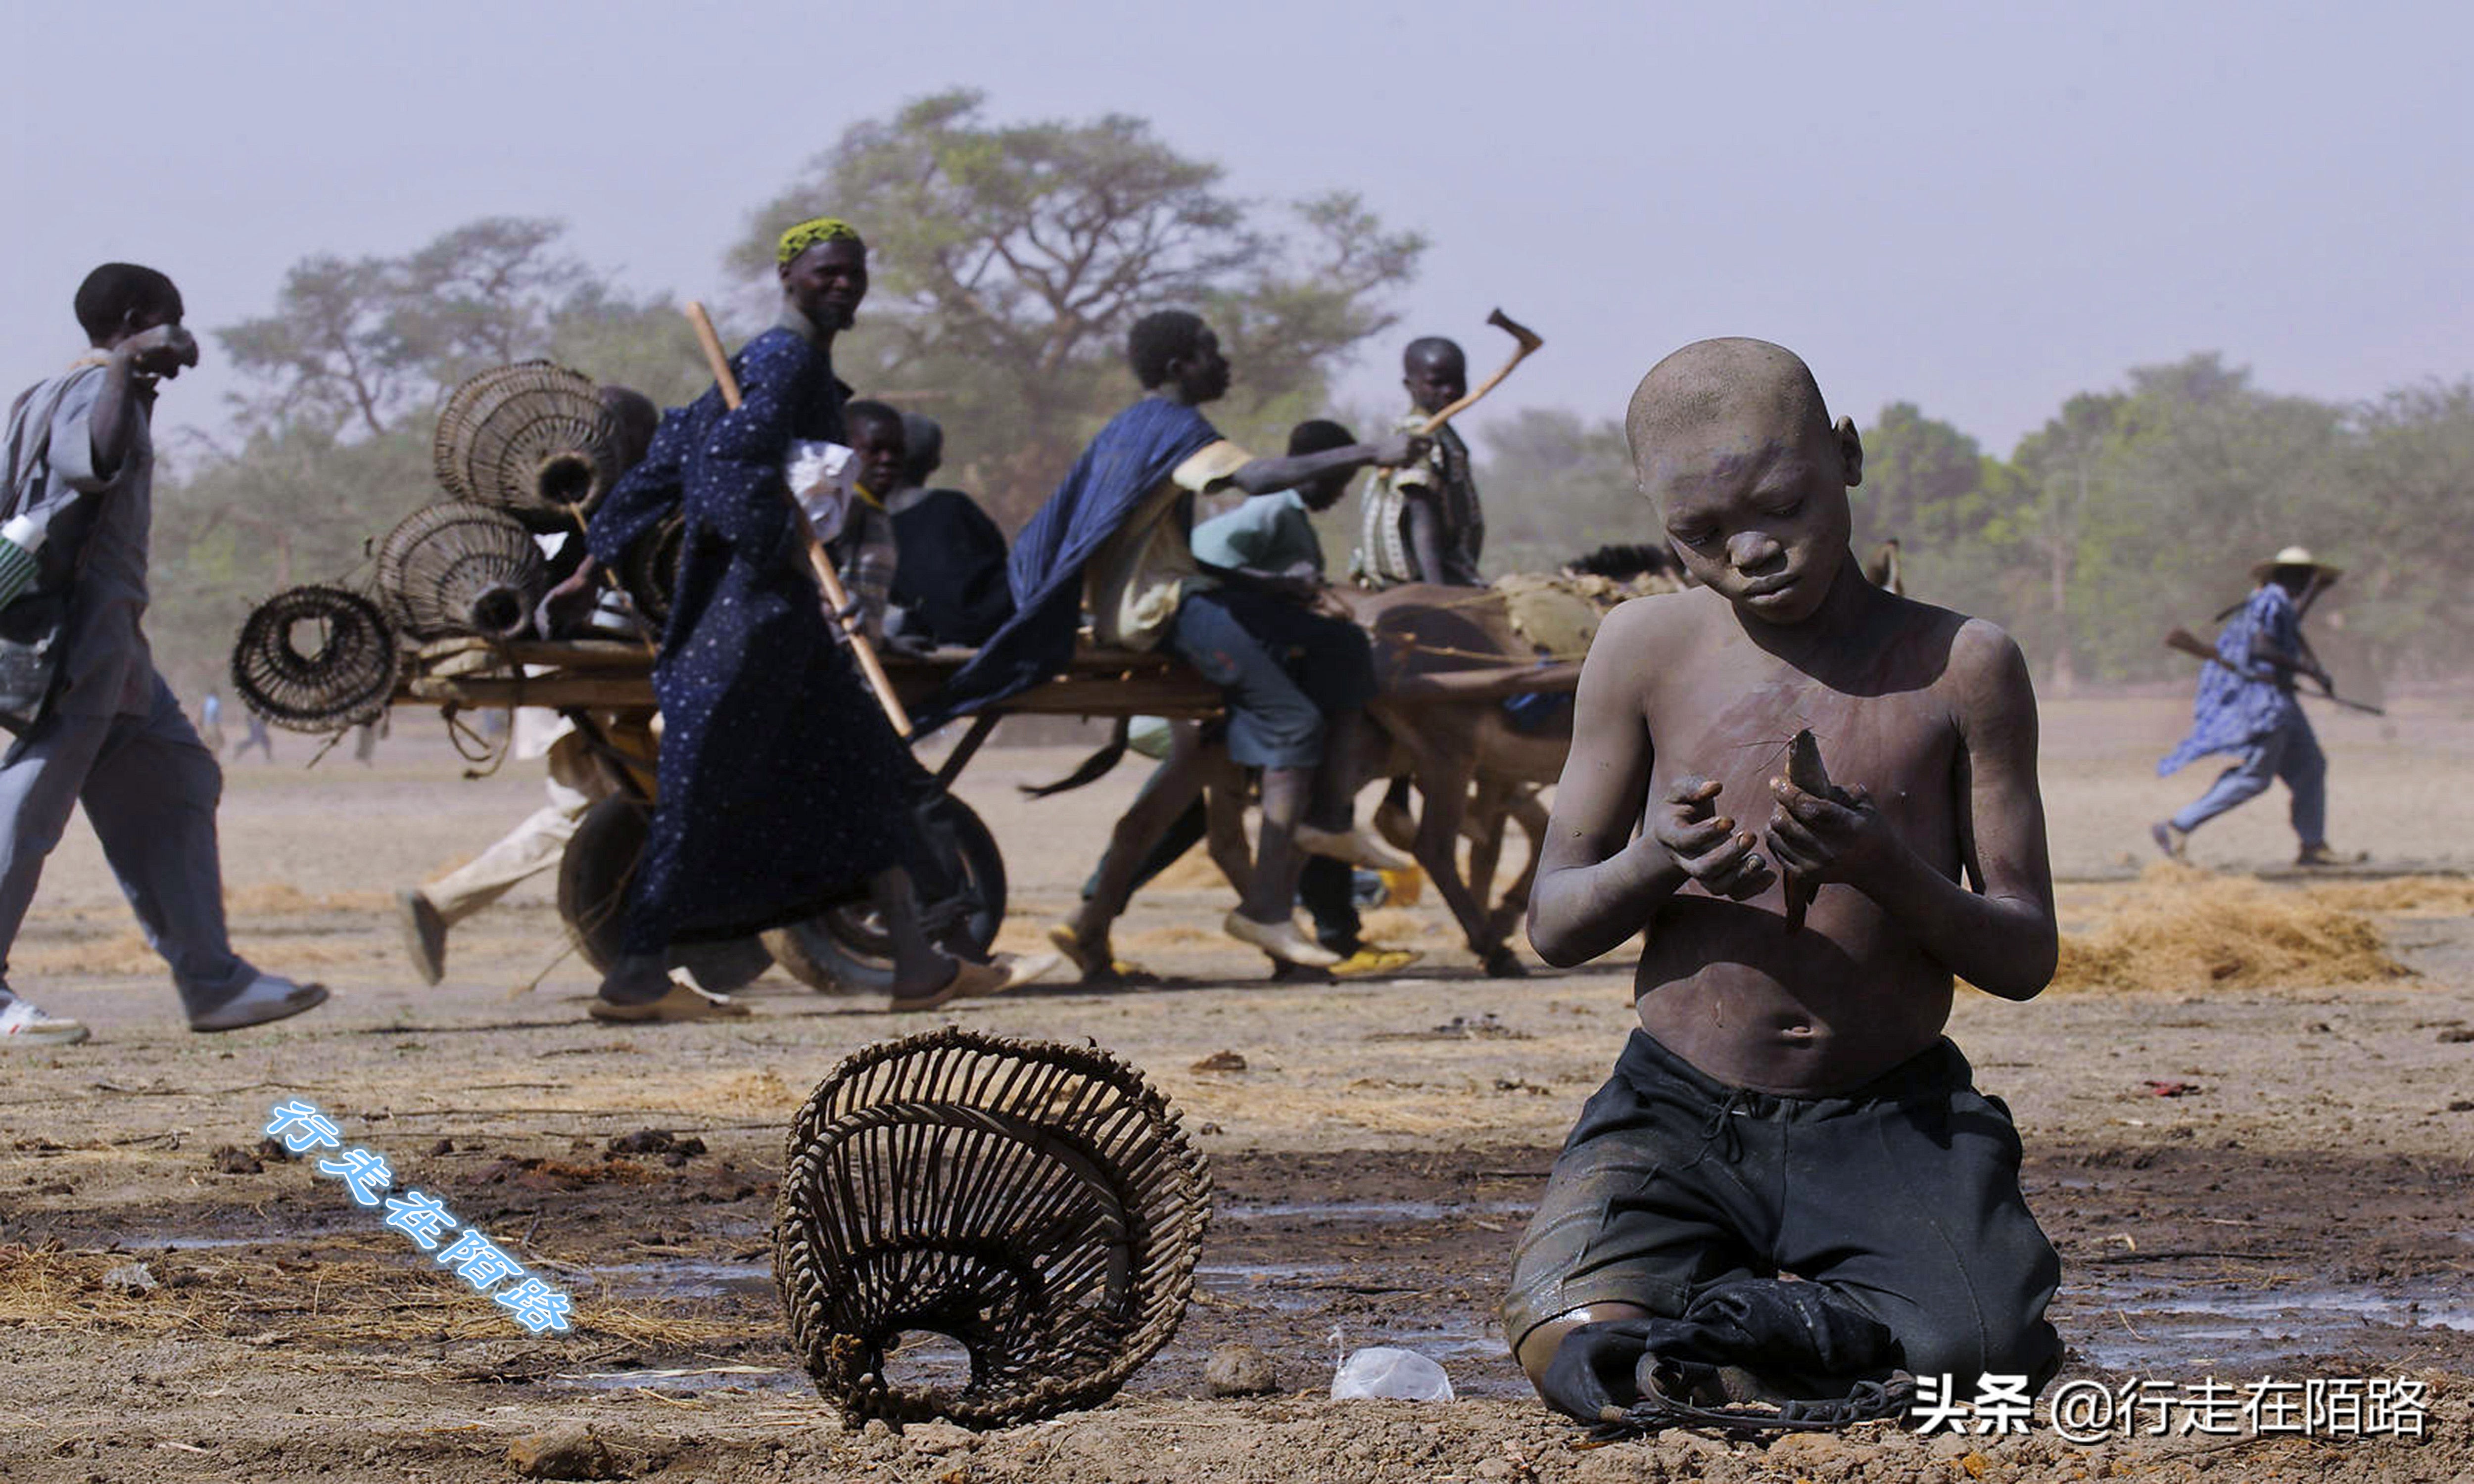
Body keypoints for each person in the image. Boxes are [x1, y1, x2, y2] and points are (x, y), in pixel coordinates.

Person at [1511, 338, 2061, 1424]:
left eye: (1782, 506)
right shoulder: (1641, 648)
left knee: (1975, 1356)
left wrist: (1884, 870)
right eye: (1700, 535)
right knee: (1565, 1340)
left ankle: (1762, 1323)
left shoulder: (1962, 665)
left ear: (1846, 457)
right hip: (1674, 1105)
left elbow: (2023, 954)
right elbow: (1556, 923)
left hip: (1888, 1108)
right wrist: (1654, 861)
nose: (1751, 551)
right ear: (1659, 520)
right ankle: (1776, 1323)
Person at [577, 217, 1016, 1021]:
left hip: (786, 628)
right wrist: (781, 539)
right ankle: (637, 973)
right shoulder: (780, 361)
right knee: (701, 793)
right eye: (827, 272)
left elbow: (675, 448)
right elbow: (720, 470)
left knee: (864, 777)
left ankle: (922, 965)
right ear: (788, 278)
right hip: (747, 625)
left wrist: (601, 544)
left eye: (854, 272)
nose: (843, 284)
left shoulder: (780, 363)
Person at [931, 311, 1420, 967]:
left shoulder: (1135, 429)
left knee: (1337, 644)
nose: (1223, 364)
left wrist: (1259, 586)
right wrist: (1370, 452)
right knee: (1291, 718)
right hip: (1162, 607)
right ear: (1177, 366)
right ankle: (1268, 909)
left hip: (1169, 590)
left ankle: (1328, 819)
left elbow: (1154, 547)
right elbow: (1255, 479)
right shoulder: (1175, 431)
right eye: (1210, 353)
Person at [0, 264, 329, 1046]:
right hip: (80, 640)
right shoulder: (87, 393)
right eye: (169, 323)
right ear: (138, 317)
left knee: (177, 776)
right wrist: (125, 369)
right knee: (33, 798)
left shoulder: (33, 398)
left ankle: (215, 983)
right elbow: (96, 462)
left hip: (117, 651)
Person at [1049, 420, 1420, 981]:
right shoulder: (1271, 507)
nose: (1339, 493)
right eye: (1338, 478)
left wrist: (1271, 589)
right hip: (1215, 659)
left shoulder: (1283, 513)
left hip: (1221, 651)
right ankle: (1305, 902)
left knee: (1186, 812)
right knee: (1290, 754)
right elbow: (1196, 567)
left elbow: (1202, 570)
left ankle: (1092, 921)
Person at [396, 386, 662, 985]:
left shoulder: (568, 503)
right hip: (576, 678)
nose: (654, 449)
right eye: (645, 437)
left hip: (576, 674)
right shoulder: (605, 507)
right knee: (582, 809)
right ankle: (442, 902)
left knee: (617, 801)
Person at [2153, 547, 2348, 866]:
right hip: (2265, 703)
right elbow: (2263, 647)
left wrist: (2313, 665)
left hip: (2281, 700)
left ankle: (2313, 845)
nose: (2305, 582)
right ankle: (2176, 827)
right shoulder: (2270, 599)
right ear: (2287, 577)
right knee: (2255, 777)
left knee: (2311, 767)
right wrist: (2308, 670)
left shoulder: (2278, 602)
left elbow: (2291, 632)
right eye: (2304, 577)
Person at [1352, 337, 1486, 590]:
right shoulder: (1418, 433)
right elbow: (1420, 511)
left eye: (1457, 381)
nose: (1449, 391)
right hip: (1413, 577)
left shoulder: (1443, 431)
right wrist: (1435, 591)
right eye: (1436, 383)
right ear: (1409, 385)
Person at [883, 413, 1011, 649]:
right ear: (935, 463)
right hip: (981, 636)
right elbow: (998, 557)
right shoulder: (954, 507)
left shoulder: (854, 519)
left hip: (911, 636)